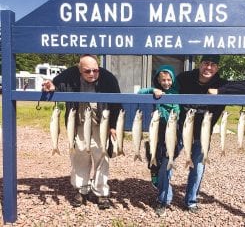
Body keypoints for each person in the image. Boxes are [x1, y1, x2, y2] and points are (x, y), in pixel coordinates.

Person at [176, 55, 245, 212]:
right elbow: (163, 81)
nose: (208, 67)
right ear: (200, 65)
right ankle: (163, 197)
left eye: (213, 65)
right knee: (166, 159)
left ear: (217, 68)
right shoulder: (184, 78)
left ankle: (191, 201)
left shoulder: (221, 83)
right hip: (180, 130)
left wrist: (220, 91)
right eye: (206, 63)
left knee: (198, 166)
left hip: (202, 135)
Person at [42, 54, 122, 209]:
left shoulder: (109, 78)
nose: (92, 74)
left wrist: (113, 126)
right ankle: (81, 189)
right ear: (79, 70)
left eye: (95, 70)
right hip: (78, 123)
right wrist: (51, 86)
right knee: (79, 156)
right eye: (87, 71)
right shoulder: (69, 74)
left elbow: (117, 104)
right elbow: (55, 85)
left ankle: (101, 192)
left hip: (101, 124)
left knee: (102, 156)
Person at [138, 64, 181, 217]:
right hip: (156, 133)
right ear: (158, 80)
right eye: (163, 80)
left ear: (173, 80)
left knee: (165, 167)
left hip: (171, 134)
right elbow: (139, 92)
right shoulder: (155, 91)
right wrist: (152, 91)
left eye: (169, 80)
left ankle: (163, 200)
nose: (166, 83)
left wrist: (172, 113)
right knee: (154, 162)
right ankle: (158, 185)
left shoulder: (176, 92)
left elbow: (177, 110)